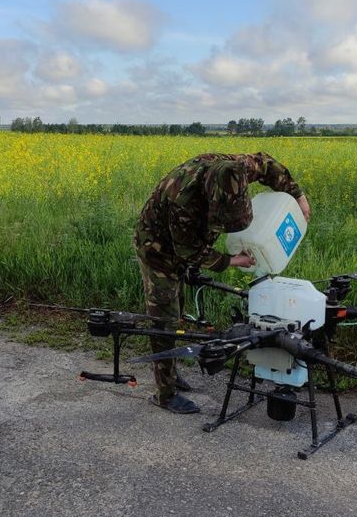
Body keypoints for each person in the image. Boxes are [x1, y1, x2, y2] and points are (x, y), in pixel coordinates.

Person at [133, 152, 310, 414]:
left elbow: (269, 165)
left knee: (177, 309)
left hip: (186, 241)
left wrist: (299, 197)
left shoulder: (236, 170)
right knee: (165, 319)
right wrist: (233, 261)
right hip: (158, 250)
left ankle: (169, 369)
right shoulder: (183, 200)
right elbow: (189, 252)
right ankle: (165, 393)